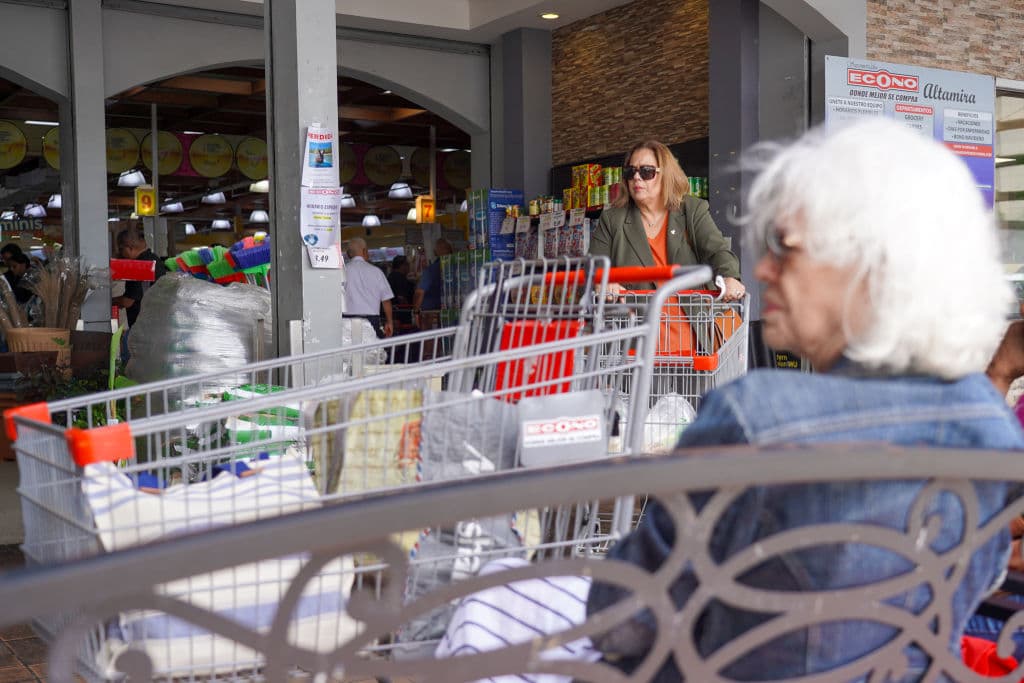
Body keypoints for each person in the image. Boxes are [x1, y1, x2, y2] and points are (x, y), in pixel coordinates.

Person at [437, 120, 1024, 681]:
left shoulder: (756, 416)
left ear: (865, 268)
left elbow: (625, 615)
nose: (763, 269)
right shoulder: (991, 429)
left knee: (489, 597)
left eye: (784, 246)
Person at [590, 139, 744, 300]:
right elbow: (594, 267)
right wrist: (602, 282)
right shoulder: (612, 220)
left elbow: (716, 250)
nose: (636, 177)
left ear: (666, 175)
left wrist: (729, 277)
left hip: (694, 320)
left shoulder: (691, 209)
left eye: (646, 171)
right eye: (630, 171)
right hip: (639, 321)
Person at [111, 226, 167, 330]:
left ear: (129, 248)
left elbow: (127, 301)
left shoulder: (138, 265)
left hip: (143, 326)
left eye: (121, 249)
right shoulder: (155, 260)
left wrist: (108, 301)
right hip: (157, 321)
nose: (121, 254)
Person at [343, 237, 394, 338]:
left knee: (349, 352)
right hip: (371, 320)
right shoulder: (376, 272)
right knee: (372, 352)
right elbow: (386, 300)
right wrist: (389, 322)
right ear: (365, 251)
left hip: (346, 320)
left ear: (349, 254)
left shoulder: (342, 271)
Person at [413, 238, 453, 326]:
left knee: (430, 338)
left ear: (437, 250)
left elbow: (420, 292)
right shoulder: (457, 266)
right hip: (453, 311)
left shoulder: (431, 270)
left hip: (431, 313)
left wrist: (416, 312)